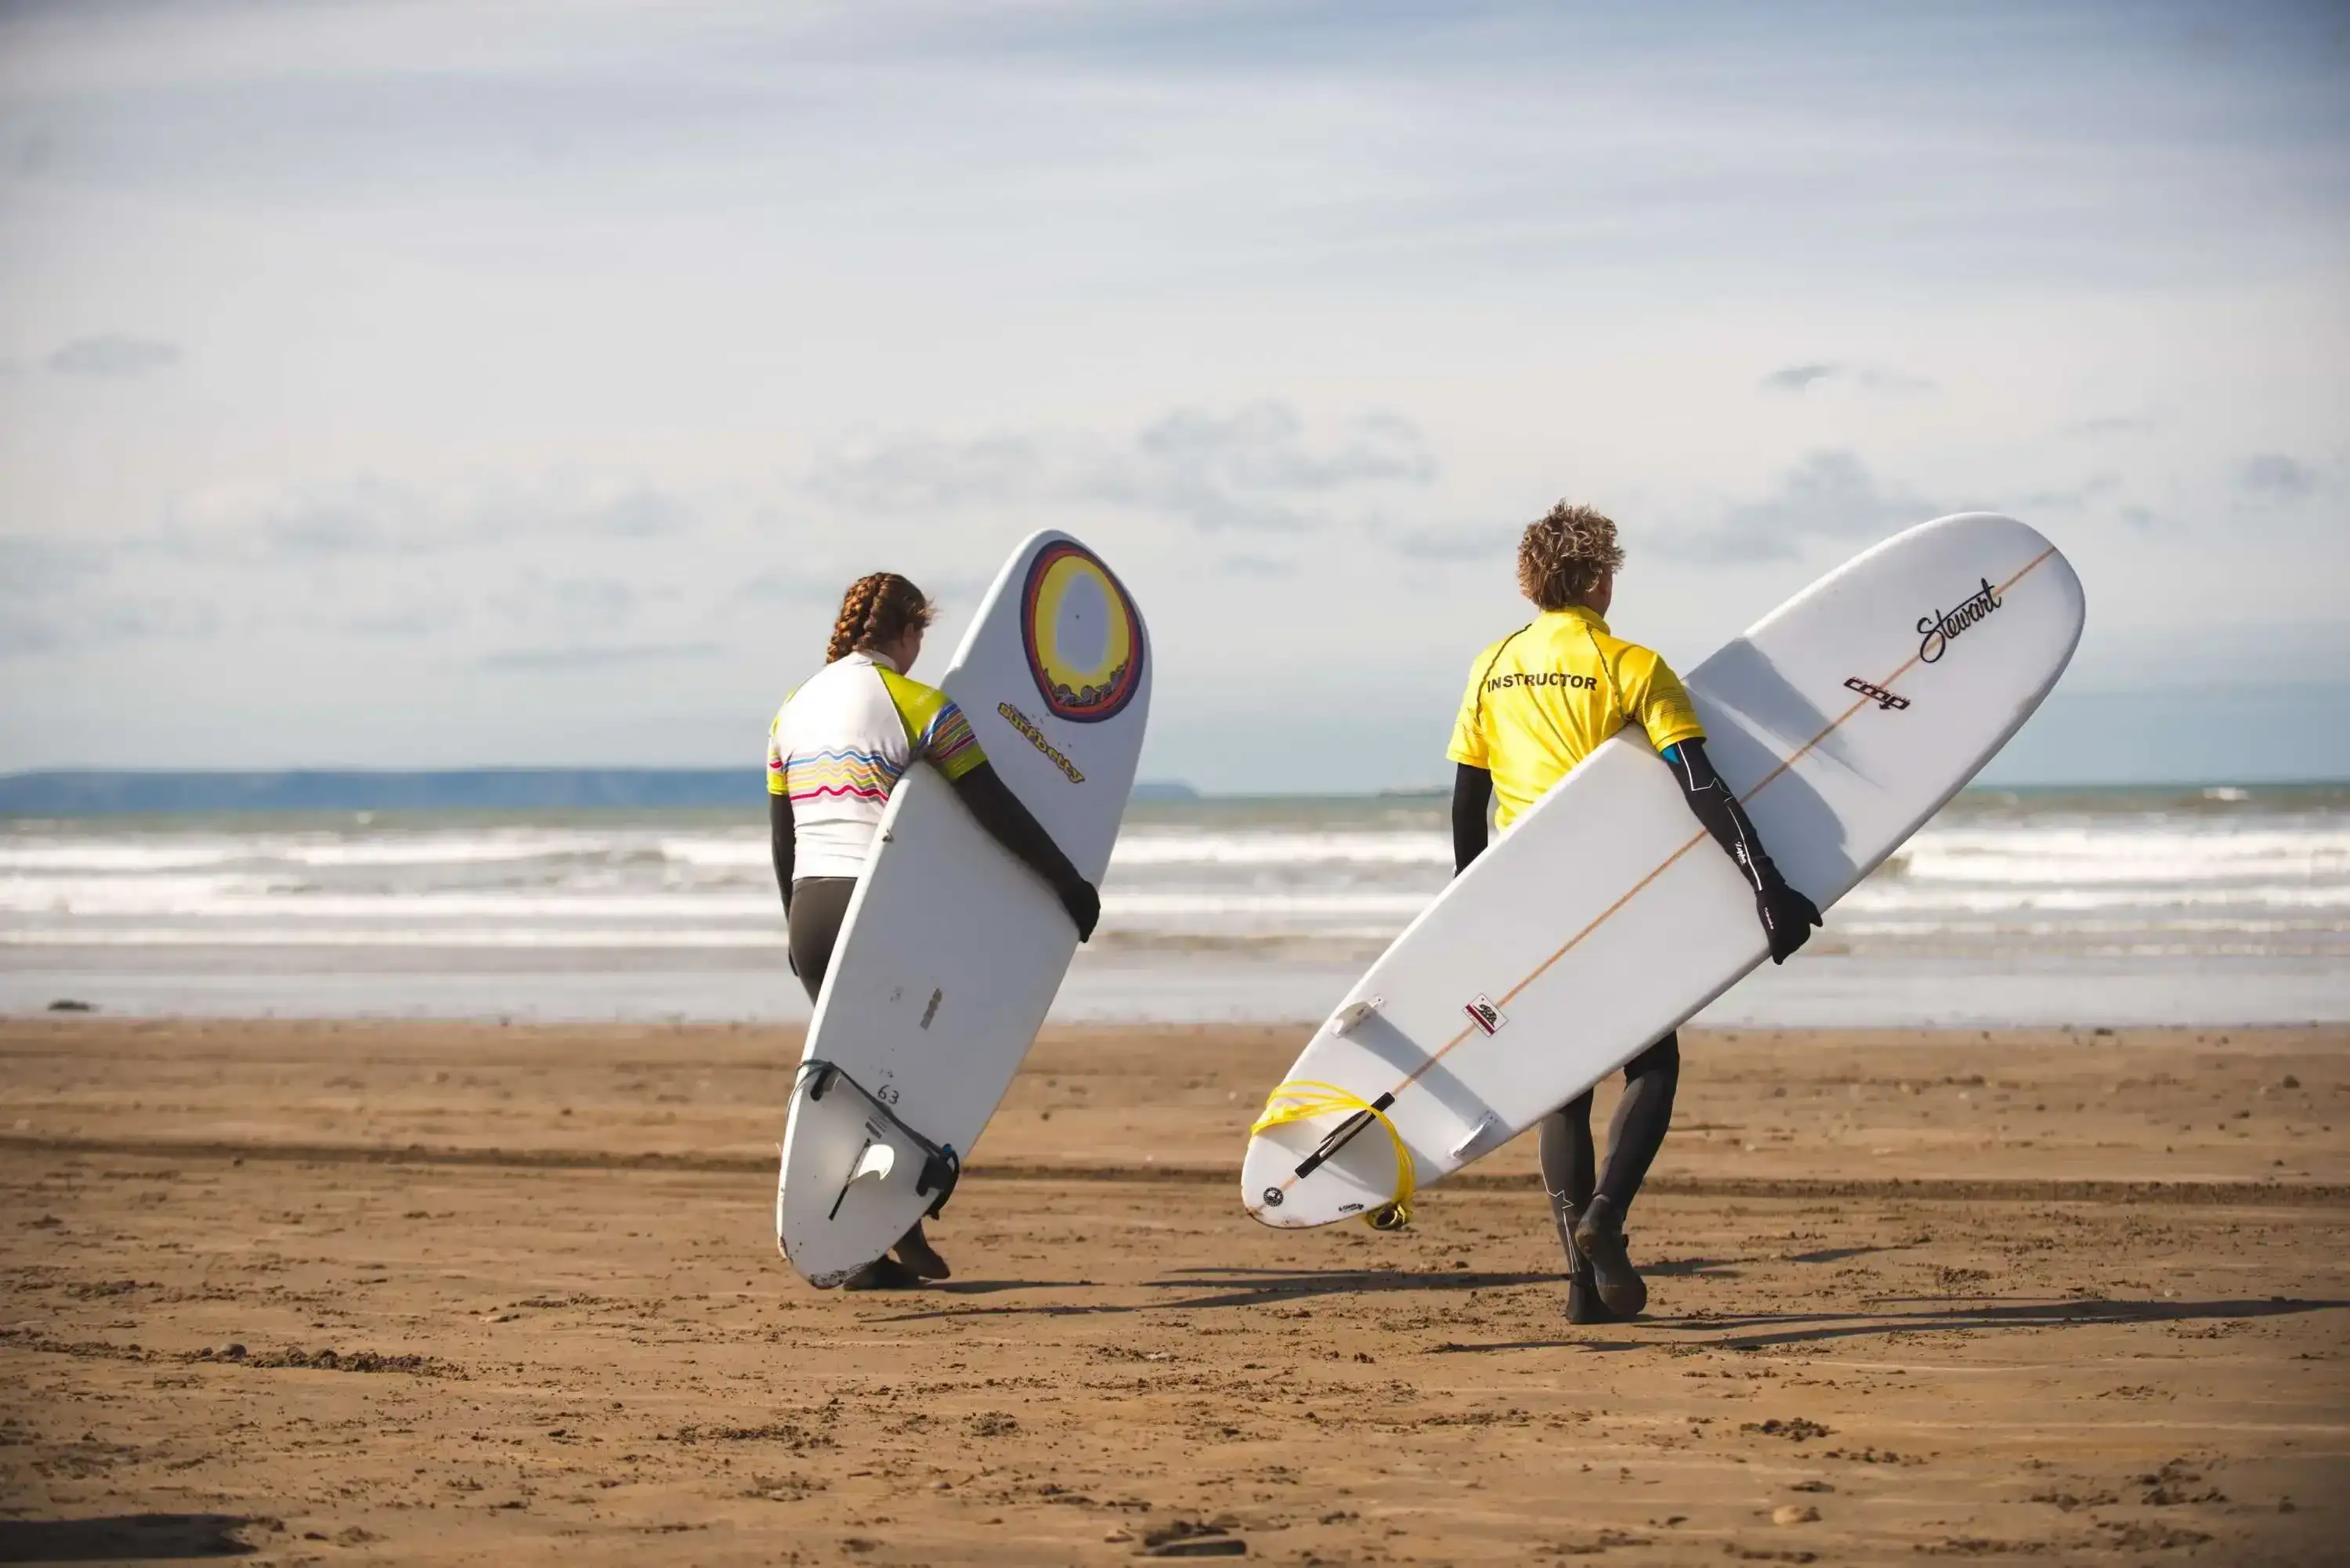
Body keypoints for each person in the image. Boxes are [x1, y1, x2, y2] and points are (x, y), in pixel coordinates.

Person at [1447, 504, 1821, 1324]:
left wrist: (1467, 919)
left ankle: (1581, 1292)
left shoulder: (1490, 667)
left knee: (1564, 1090)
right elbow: (1699, 784)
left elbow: (1467, 807)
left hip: (1525, 903)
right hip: (1613, 898)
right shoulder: (1632, 665)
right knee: (1652, 1064)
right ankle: (1605, 1217)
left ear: (1528, 580)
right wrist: (1767, 883)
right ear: (1597, 579)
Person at [768, 571, 1102, 1291]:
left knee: (853, 1085)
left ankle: (872, 1247)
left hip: (810, 913)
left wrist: (797, 929)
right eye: (923, 633)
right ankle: (894, 1229)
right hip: (875, 913)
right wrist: (1067, 883)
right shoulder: (918, 704)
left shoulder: (791, 709)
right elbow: (994, 809)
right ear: (910, 629)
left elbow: (784, 843)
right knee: (910, 1081)